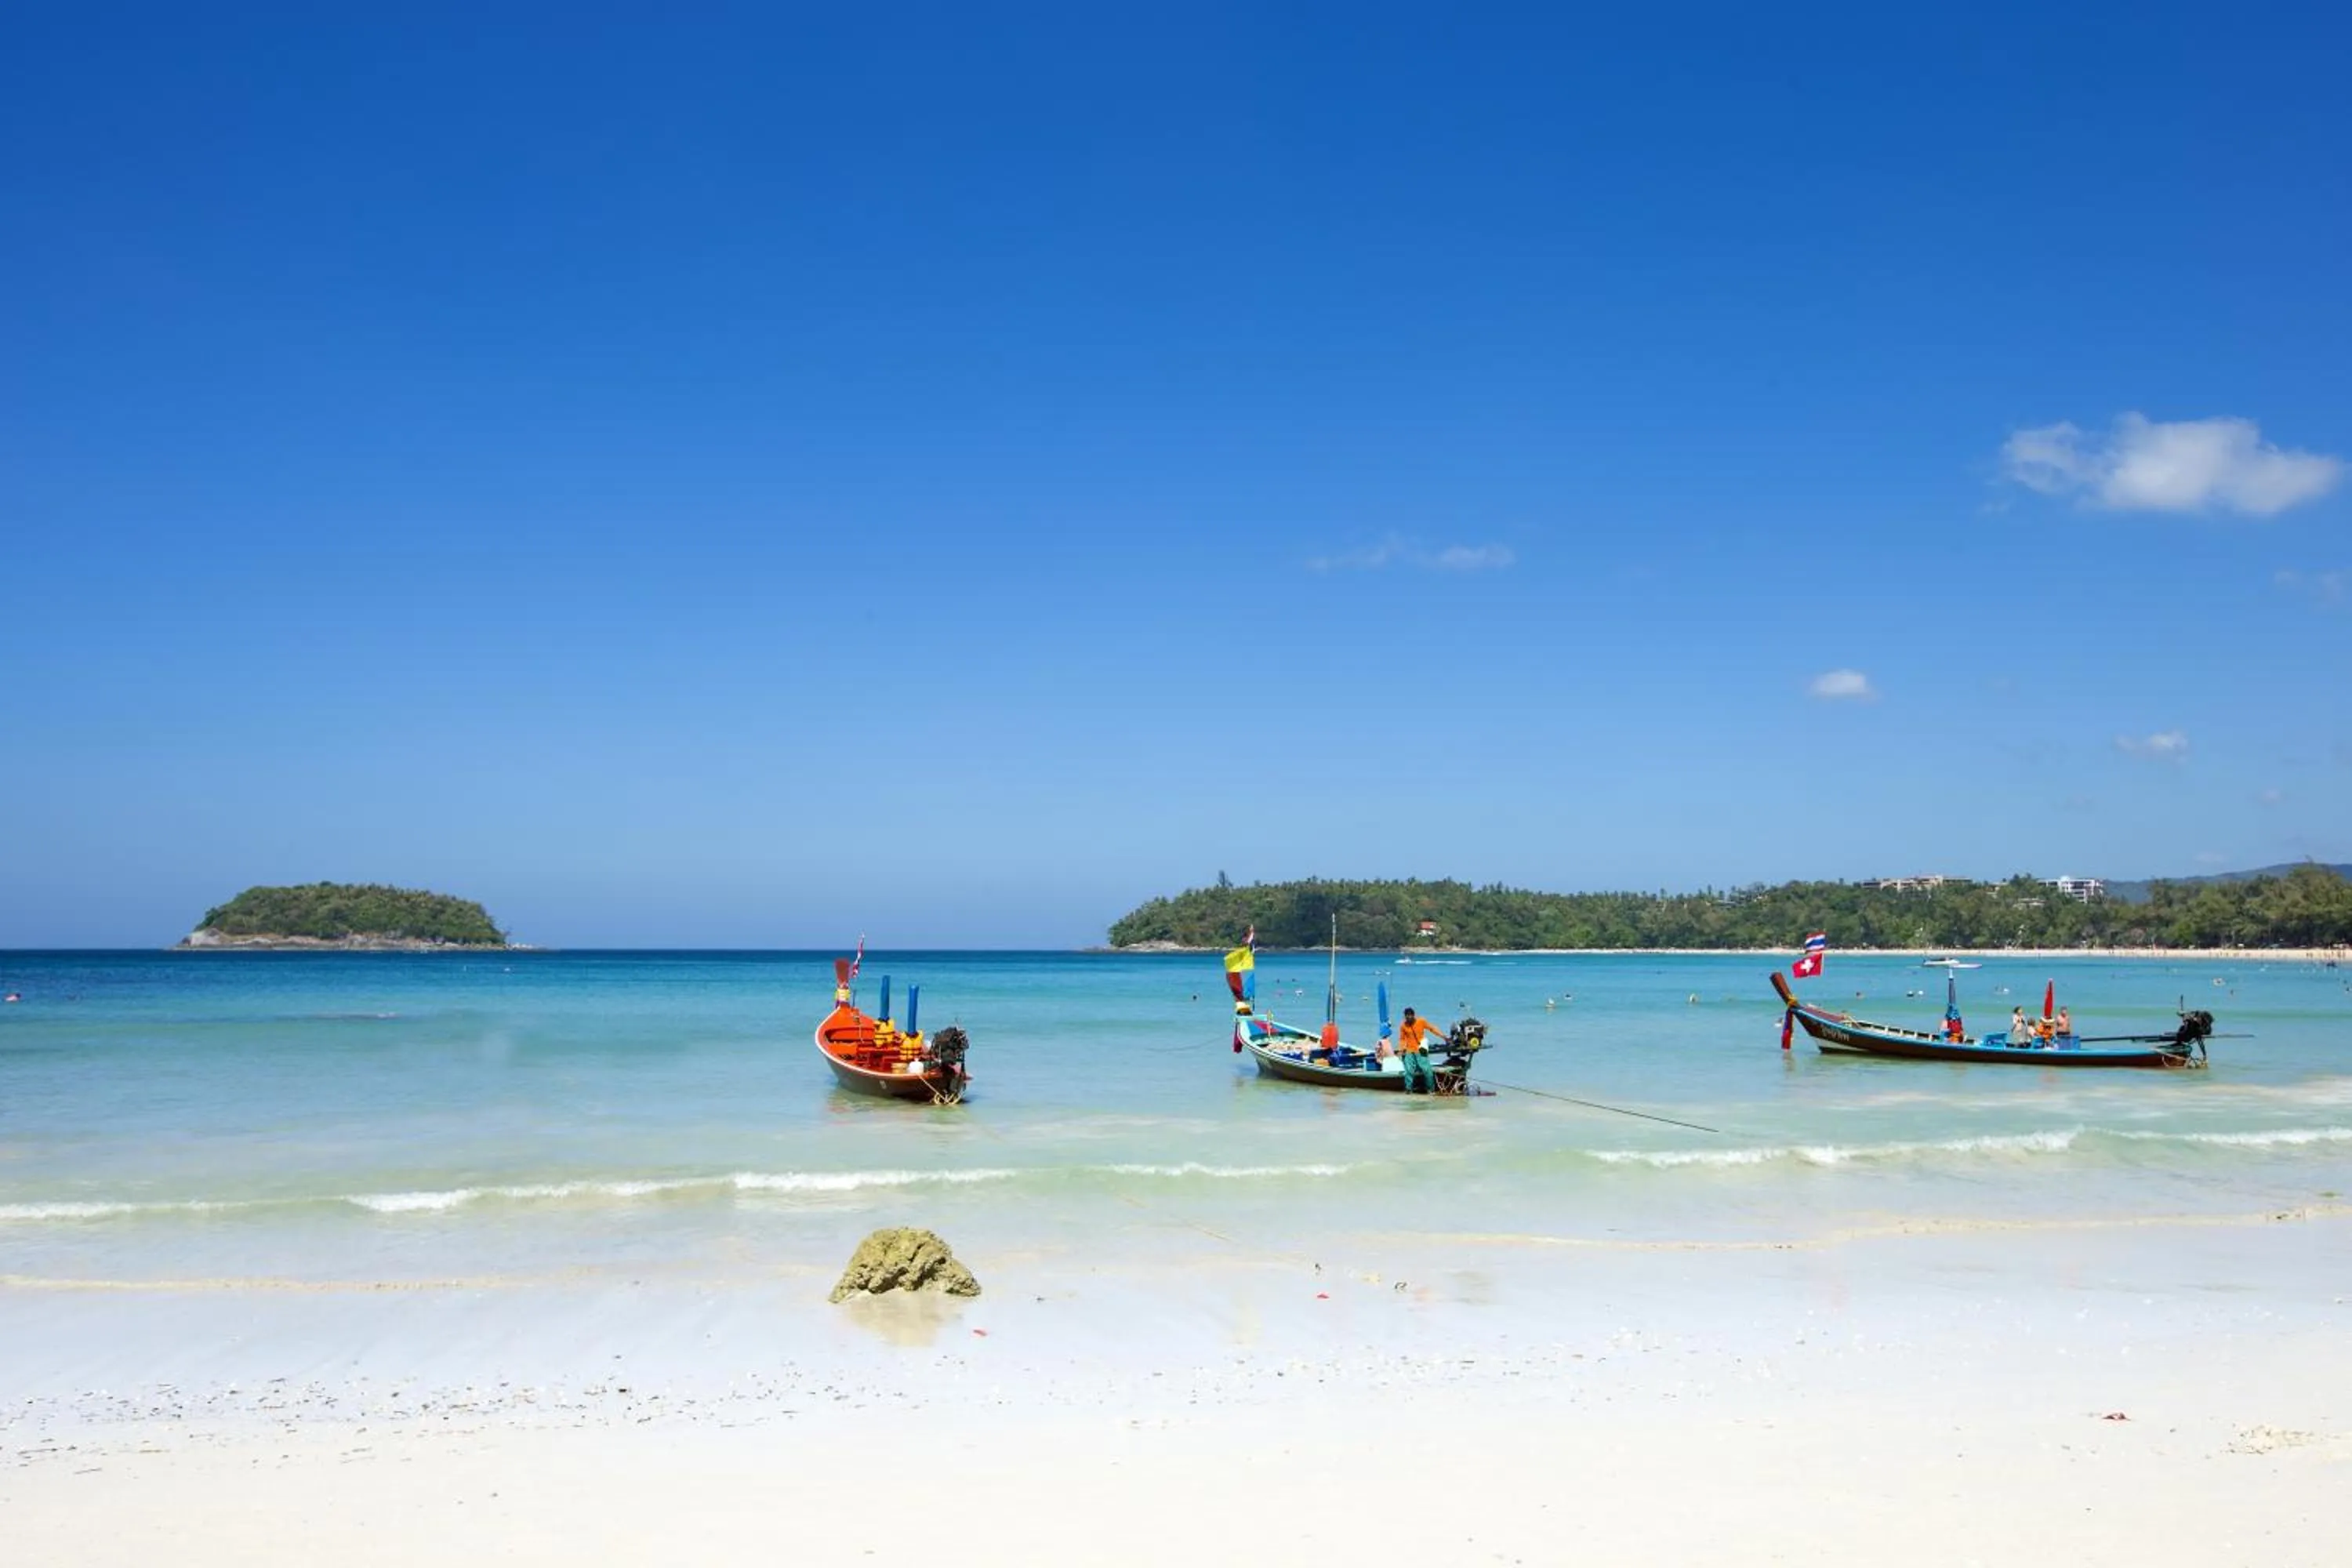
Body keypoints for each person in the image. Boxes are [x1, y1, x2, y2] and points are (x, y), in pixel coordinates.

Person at [1396, 1007, 1442, 1094]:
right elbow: (1402, 1039)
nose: (1409, 1018)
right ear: (1405, 1017)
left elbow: (1432, 1029)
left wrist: (1443, 1036)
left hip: (1421, 1049)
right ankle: (1409, 1089)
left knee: (1427, 1070)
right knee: (1409, 1071)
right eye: (1407, 1017)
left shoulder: (1421, 1021)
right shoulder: (1403, 1026)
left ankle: (1430, 1089)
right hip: (1409, 1050)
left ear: (1414, 1015)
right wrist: (1401, 1049)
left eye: (1410, 1016)